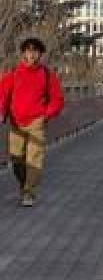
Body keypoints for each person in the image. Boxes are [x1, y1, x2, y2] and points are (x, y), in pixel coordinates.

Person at [0, 37, 65, 207]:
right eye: (28, 51)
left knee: (33, 158)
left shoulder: (47, 75)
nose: (31, 55)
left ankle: (29, 193)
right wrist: (2, 113)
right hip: (16, 122)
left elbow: (57, 99)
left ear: (40, 54)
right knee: (16, 158)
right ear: (23, 53)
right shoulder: (13, 74)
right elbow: (3, 97)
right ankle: (24, 184)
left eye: (35, 51)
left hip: (37, 121)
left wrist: (46, 114)